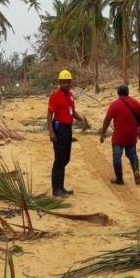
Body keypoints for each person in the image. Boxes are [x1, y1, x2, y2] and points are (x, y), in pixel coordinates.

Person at [47, 69, 87, 197]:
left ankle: (61, 188)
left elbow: (72, 111)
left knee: (65, 158)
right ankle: (56, 190)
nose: (66, 84)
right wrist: (51, 132)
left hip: (67, 129)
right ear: (59, 82)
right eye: (63, 82)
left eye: (68, 82)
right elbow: (49, 114)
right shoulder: (55, 96)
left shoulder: (70, 95)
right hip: (59, 129)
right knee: (59, 159)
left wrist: (81, 119)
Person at [99, 84, 140, 185]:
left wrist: (102, 133)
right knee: (132, 154)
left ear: (118, 93)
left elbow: (107, 120)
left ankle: (119, 179)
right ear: (128, 92)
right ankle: (136, 170)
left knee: (117, 156)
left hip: (119, 136)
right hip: (131, 135)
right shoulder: (135, 103)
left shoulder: (115, 104)